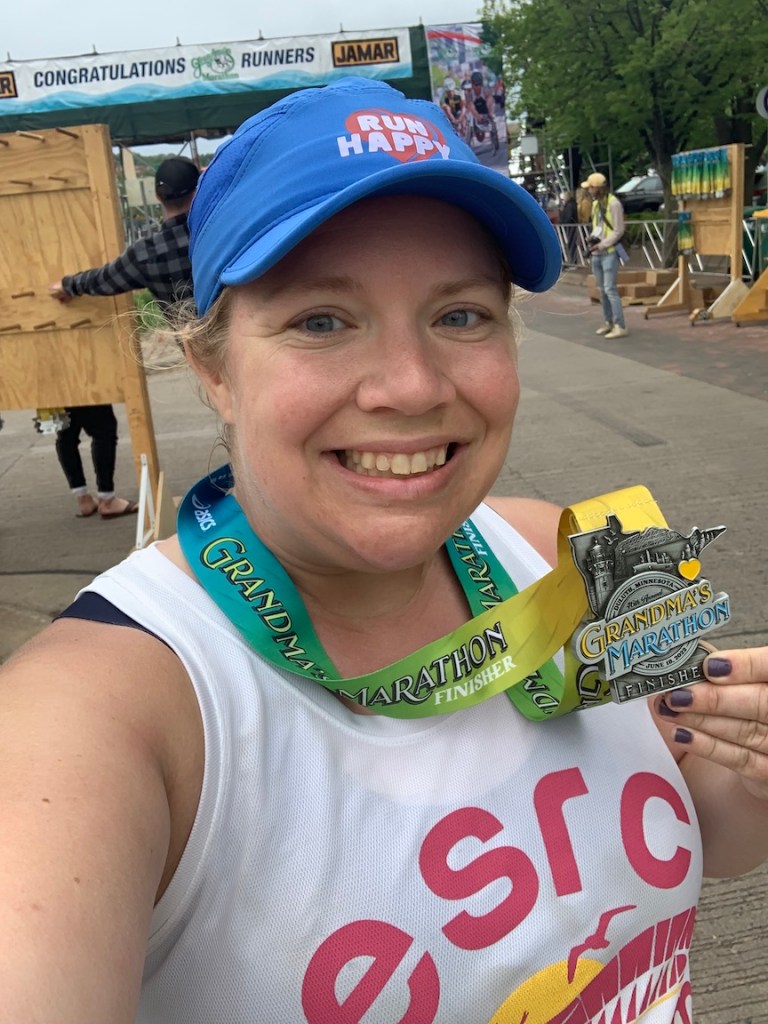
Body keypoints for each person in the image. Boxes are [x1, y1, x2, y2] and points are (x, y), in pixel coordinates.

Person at [2, 77, 767, 1023]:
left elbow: (718, 836)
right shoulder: (98, 717)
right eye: (322, 321)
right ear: (212, 367)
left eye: (460, 315)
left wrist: (754, 764)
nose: (410, 386)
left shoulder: (591, 549)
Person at [48, 155, 200, 518]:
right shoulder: (216, 230)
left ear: (158, 197)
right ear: (197, 191)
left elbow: (105, 278)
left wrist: (68, 285)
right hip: (247, 340)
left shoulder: (147, 252)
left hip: (199, 350)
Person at [582, 171, 628, 340]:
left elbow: (618, 230)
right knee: (602, 290)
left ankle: (620, 325)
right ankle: (608, 322)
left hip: (609, 252)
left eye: (591, 188)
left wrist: (601, 244)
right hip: (597, 253)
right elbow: (598, 226)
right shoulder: (596, 204)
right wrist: (592, 239)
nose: (589, 191)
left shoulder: (613, 204)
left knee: (610, 289)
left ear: (597, 188)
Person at [560, 190, 579, 263]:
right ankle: (572, 261)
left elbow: (568, 216)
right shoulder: (571, 204)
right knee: (570, 244)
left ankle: (573, 261)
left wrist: (562, 223)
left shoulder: (569, 205)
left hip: (569, 227)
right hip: (570, 226)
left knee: (571, 244)